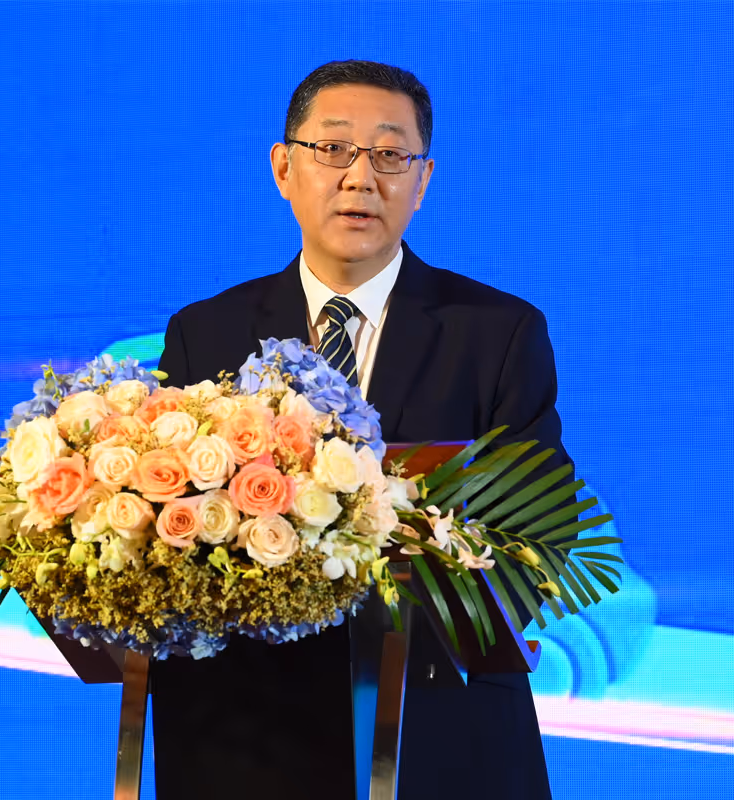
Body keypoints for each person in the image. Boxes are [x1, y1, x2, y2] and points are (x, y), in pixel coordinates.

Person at [155, 60, 569, 800]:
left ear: (423, 180)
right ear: (284, 168)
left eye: (389, 155)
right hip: (243, 736)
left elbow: (540, 533)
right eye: (333, 149)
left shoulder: (497, 333)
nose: (360, 177)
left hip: (440, 734)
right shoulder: (204, 331)